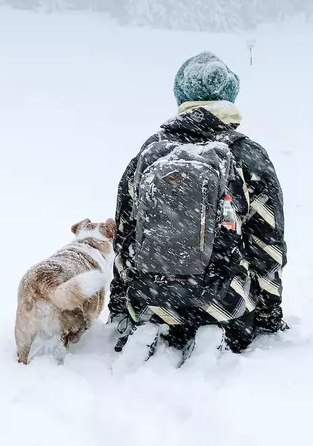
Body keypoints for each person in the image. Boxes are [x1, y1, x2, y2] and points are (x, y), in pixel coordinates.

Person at [107, 51, 288, 356]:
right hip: (227, 310)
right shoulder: (248, 155)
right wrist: (269, 316)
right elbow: (266, 245)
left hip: (150, 306)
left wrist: (121, 307)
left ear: (181, 96)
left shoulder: (150, 153)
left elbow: (125, 238)